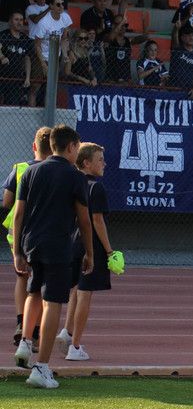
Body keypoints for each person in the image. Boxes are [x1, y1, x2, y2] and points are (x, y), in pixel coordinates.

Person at [12, 125, 92, 389]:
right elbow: (83, 219)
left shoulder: (31, 170)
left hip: (31, 242)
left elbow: (18, 214)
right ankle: (42, 367)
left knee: (34, 292)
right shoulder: (75, 176)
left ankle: (25, 342)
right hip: (58, 245)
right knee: (53, 302)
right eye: (77, 147)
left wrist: (17, 251)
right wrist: (89, 253)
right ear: (70, 147)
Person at [55, 143, 114, 361]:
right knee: (84, 294)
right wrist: (109, 250)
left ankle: (67, 332)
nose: (104, 164)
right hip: (91, 246)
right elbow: (97, 221)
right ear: (86, 163)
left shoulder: (72, 183)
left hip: (72, 242)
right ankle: (75, 346)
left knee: (75, 289)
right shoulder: (95, 188)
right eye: (100, 160)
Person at [3, 126, 51, 346]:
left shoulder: (20, 168)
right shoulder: (56, 171)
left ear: (34, 146)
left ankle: (22, 322)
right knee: (42, 280)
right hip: (44, 232)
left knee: (22, 278)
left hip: (19, 233)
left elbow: (7, 202)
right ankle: (37, 328)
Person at [30, 0, 72, 81]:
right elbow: (37, 45)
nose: (61, 6)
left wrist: (64, 54)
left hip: (55, 57)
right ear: (51, 6)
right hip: (41, 57)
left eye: (62, 4)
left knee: (52, 86)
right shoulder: (43, 22)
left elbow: (64, 38)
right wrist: (43, 64)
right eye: (58, 4)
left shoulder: (65, 17)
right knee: (36, 86)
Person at [0, 12, 33, 105]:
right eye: (16, 19)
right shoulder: (3, 35)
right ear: (10, 22)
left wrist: (27, 77)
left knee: (11, 106)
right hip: (2, 76)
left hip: (16, 79)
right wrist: (2, 57)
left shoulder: (25, 39)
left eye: (21, 20)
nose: (19, 22)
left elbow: (27, 58)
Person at [169, 27, 193, 98]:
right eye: (188, 35)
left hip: (190, 92)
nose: (191, 37)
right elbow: (174, 39)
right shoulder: (178, 51)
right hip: (174, 90)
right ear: (182, 37)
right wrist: (176, 29)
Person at [104, 14, 137, 84]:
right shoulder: (108, 37)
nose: (122, 27)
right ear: (113, 25)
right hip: (111, 78)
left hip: (125, 78)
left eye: (124, 25)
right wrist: (122, 22)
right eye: (118, 24)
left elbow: (142, 38)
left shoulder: (128, 41)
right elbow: (110, 37)